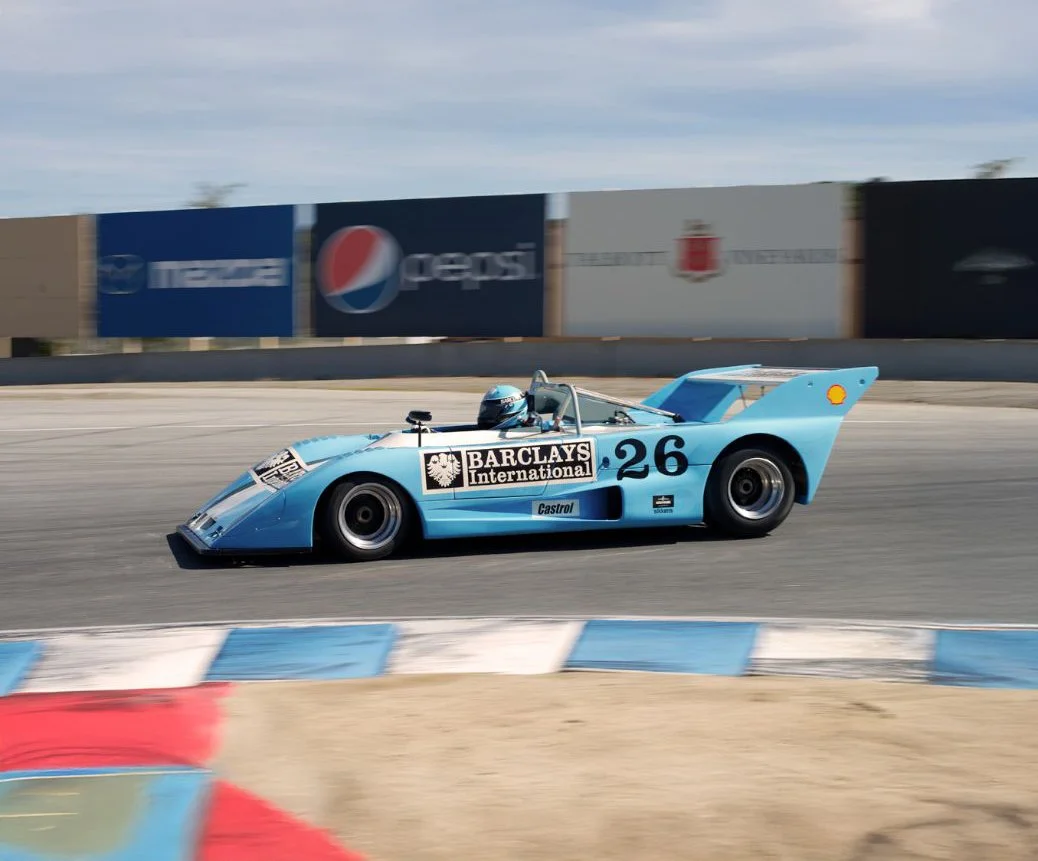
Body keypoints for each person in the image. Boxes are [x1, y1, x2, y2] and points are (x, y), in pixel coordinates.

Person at [476, 384, 559, 431]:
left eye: (491, 411)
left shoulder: (531, 429)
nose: (486, 415)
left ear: (509, 409)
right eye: (486, 410)